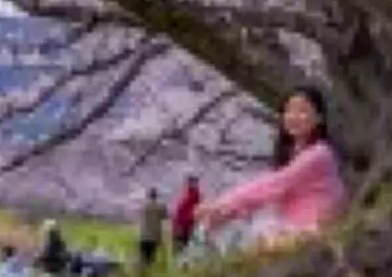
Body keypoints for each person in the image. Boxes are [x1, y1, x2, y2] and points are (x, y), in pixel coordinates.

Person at [196, 86, 347, 249]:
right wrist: (223, 213)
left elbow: (275, 184)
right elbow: (266, 191)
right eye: (288, 111)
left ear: (319, 118)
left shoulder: (319, 154)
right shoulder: (293, 155)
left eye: (302, 111)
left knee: (255, 234)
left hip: (312, 231)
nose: (293, 117)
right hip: (290, 228)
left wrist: (222, 205)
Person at [171, 175, 202, 256]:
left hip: (186, 223)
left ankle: (182, 259)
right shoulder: (189, 194)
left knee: (184, 244)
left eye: (195, 183)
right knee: (182, 243)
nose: (195, 185)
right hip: (183, 223)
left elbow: (195, 208)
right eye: (193, 183)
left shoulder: (192, 194)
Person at [137, 188, 167, 267]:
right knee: (151, 260)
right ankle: (149, 274)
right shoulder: (160, 207)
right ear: (156, 196)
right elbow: (165, 216)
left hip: (143, 236)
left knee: (143, 259)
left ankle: (142, 275)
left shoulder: (143, 206)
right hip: (154, 237)